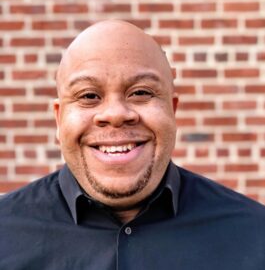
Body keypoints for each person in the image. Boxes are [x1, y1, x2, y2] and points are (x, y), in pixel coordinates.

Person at [0, 20, 264, 270]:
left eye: (140, 92)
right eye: (89, 96)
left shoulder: (255, 235)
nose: (115, 114)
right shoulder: (5, 234)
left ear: (172, 110)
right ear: (59, 118)